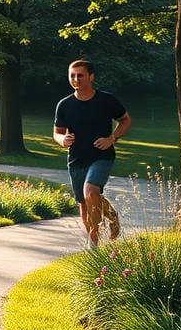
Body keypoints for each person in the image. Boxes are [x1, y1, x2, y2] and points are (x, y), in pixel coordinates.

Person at [53, 59, 132, 247]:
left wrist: (111, 138)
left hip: (101, 155)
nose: (76, 79)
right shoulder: (64, 105)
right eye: (72, 75)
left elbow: (125, 120)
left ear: (91, 76)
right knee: (83, 203)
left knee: (90, 190)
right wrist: (62, 140)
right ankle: (110, 219)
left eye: (80, 75)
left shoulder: (106, 100)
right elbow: (57, 132)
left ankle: (93, 244)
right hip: (76, 158)